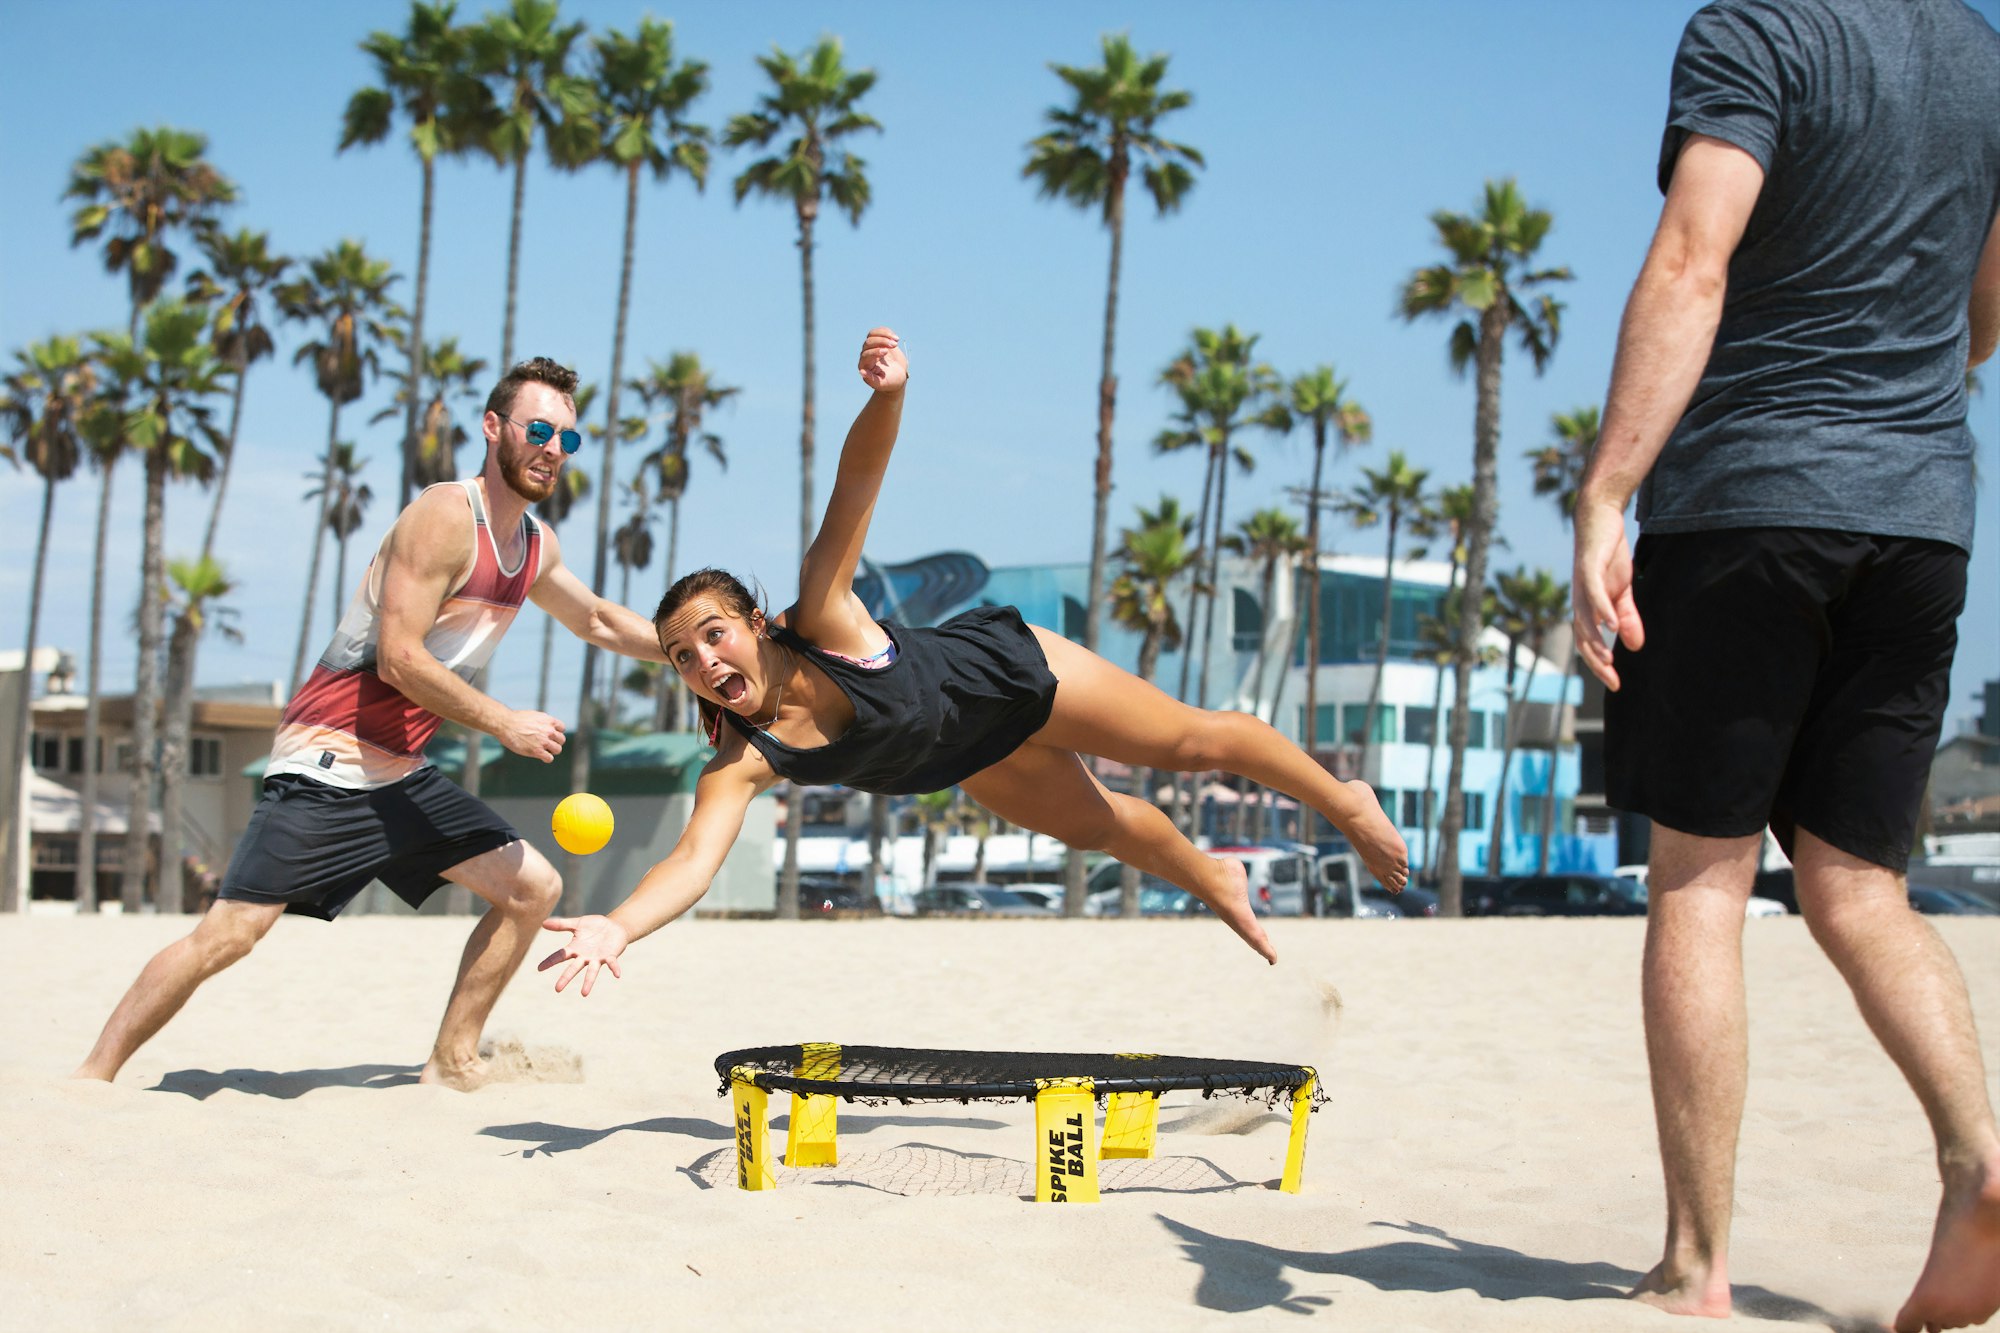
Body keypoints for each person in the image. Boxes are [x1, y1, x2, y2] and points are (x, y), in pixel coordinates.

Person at [537, 328, 1410, 989]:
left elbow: (855, 490)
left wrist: (888, 398)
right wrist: (617, 925)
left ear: (757, 622)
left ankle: (1343, 798)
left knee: (1188, 742)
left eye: (713, 633)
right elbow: (691, 861)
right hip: (962, 755)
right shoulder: (739, 763)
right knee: (1103, 826)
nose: (703, 659)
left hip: (1003, 673)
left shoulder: (824, 613)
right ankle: (1213, 874)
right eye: (684, 656)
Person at [1570, 1, 2000, 1327]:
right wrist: (1904, 390)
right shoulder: (1985, 52)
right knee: (1860, 883)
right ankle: (1981, 1156)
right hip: (1923, 510)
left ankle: (1695, 1263)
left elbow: (1695, 256)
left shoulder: (1757, 31)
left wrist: (1605, 495)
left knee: (1702, 884)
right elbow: (1989, 301)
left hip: (1751, 501)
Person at [75, 356, 670, 1091]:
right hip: (329, 759)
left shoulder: (535, 546)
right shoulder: (447, 516)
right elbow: (397, 658)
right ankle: (91, 1077)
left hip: (399, 773)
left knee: (531, 888)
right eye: (539, 430)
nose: (552, 449)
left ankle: (452, 1060)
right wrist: (504, 723)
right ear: (494, 428)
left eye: (567, 440)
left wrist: (696, 648)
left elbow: (602, 619)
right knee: (230, 934)